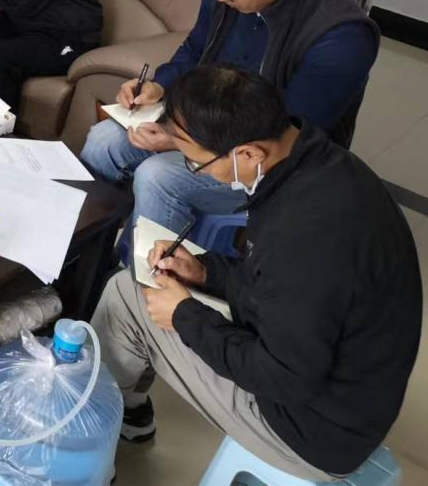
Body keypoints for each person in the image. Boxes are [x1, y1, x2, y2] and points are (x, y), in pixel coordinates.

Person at [92, 65, 420, 480]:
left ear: (249, 154)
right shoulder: (319, 166)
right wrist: (205, 271)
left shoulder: (304, 236)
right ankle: (124, 411)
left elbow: (283, 378)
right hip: (340, 387)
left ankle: (90, 433)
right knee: (153, 290)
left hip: (310, 429)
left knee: (126, 297)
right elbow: (271, 287)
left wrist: (184, 314)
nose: (197, 172)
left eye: (195, 163)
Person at [80, 0, 379, 233]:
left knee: (157, 176)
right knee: (102, 141)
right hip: (199, 122)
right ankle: (87, 247)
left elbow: (286, 134)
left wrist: (182, 141)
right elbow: (195, 49)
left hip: (266, 161)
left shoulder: (341, 36)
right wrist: (159, 86)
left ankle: (145, 265)